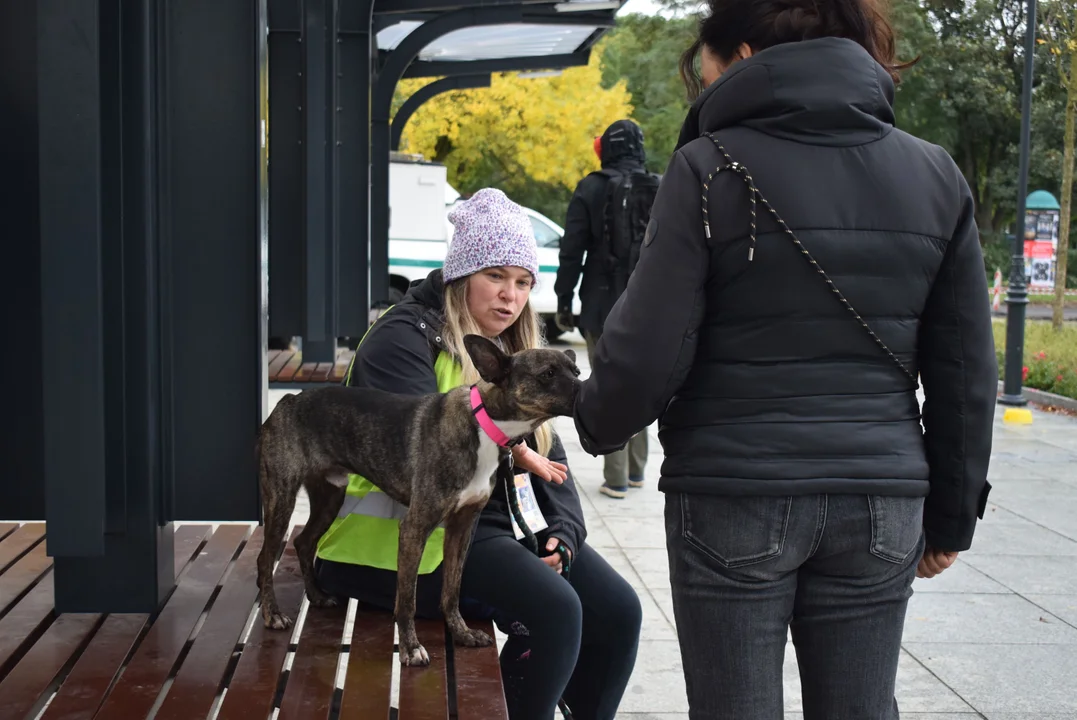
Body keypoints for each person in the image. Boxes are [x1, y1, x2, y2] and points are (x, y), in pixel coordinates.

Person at [572, 2, 997, 718]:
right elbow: (963, 371)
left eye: (701, 69)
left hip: (733, 492)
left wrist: (594, 422)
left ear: (740, 55)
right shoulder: (933, 174)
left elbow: (647, 350)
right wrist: (950, 518)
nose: (699, 87)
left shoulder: (707, 167)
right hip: (880, 501)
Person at [314, 188, 641, 720]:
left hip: (481, 527)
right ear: (462, 274)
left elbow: (548, 453)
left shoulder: (516, 352)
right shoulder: (403, 339)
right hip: (403, 544)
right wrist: (514, 446)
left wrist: (563, 532)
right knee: (555, 611)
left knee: (618, 611)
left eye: (522, 282)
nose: (510, 297)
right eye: (495, 276)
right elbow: (423, 460)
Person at [554, 119, 658, 499]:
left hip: (600, 306)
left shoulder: (591, 188)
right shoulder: (660, 186)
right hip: (649, 309)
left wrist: (564, 298)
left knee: (609, 384)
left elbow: (572, 250)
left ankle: (614, 475)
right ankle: (636, 471)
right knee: (640, 385)